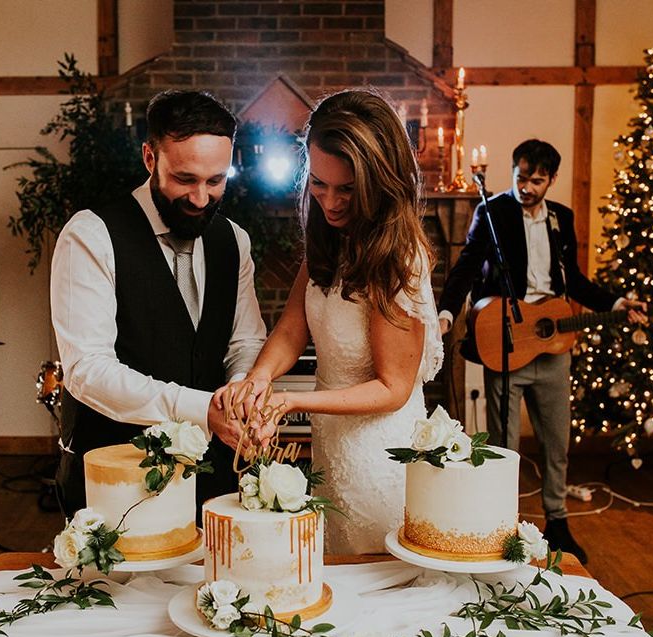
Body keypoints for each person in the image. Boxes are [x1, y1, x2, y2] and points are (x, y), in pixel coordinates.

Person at [214, 90, 443, 555]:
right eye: (318, 184)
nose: (330, 202)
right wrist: (259, 378)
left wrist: (291, 402)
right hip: (334, 447)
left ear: (381, 181)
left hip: (382, 455)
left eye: (347, 189)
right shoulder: (332, 236)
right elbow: (293, 327)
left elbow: (392, 389)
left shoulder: (397, 256)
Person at [51, 90, 266, 519]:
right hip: (118, 485)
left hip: (214, 484)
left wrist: (239, 393)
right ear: (151, 158)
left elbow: (245, 340)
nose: (201, 198)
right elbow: (87, 371)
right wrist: (199, 408)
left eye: (216, 181)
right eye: (185, 179)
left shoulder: (233, 240)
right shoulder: (91, 236)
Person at [437, 139, 647, 565]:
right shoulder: (492, 212)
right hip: (508, 343)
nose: (527, 187)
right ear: (512, 172)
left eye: (536, 180)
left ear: (551, 179)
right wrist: (446, 311)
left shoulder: (561, 219)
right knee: (502, 444)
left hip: (553, 345)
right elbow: (465, 267)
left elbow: (577, 282)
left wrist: (615, 304)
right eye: (520, 178)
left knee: (557, 440)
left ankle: (557, 520)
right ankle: (500, 522)